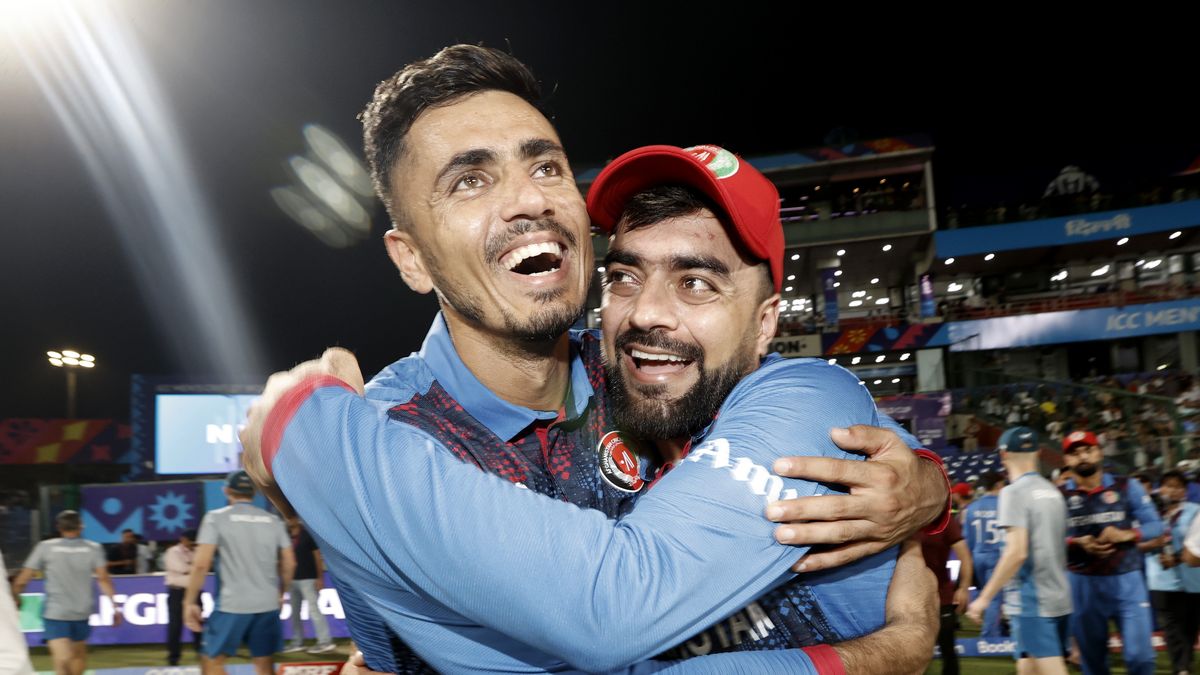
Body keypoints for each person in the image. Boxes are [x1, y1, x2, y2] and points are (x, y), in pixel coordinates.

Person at [240, 45, 948, 674]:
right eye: (470, 180)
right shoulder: (384, 441)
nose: (529, 199)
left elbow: (877, 460)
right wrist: (305, 428)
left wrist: (929, 493)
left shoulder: (661, 372)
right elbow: (612, 614)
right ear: (412, 257)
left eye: (545, 165)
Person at [967, 427, 1071, 675]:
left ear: (1003, 454)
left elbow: (1017, 552)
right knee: (1027, 667)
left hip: (1032, 601)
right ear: (1037, 452)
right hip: (1059, 595)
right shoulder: (1053, 492)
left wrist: (983, 598)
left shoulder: (1013, 493)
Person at [1060, 429, 1163, 675]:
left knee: (1141, 658)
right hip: (1082, 583)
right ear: (1066, 461)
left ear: (1099, 453)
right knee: (1093, 663)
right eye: (1075, 453)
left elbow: (1156, 525)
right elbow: (1046, 538)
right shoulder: (1059, 495)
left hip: (1127, 579)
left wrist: (1126, 534)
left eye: (1088, 450)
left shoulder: (1127, 486)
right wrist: (1076, 542)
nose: (1082, 457)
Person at [184, 471, 295, 675]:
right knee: (264, 663)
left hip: (232, 604)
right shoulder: (273, 521)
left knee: (212, 660)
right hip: (267, 603)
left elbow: (200, 564)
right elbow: (289, 562)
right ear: (254, 493)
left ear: (227, 491)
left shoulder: (215, 519)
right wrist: (281, 592)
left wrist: (189, 601)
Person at [11, 510, 122, 675]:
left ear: (58, 527)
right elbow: (104, 579)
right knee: (77, 657)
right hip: (81, 612)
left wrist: (15, 596)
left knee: (62, 659)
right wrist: (115, 606)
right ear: (81, 526)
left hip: (56, 613)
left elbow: (23, 578)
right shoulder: (93, 548)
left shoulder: (45, 547)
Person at [1139, 470, 1200, 674]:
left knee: (1188, 626)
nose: (1172, 490)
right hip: (1161, 579)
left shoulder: (1194, 511)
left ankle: (1184, 663)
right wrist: (1153, 544)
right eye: (1168, 485)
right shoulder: (1149, 513)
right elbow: (1135, 542)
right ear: (1160, 488)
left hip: (1192, 580)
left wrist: (1175, 555)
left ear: (1184, 491)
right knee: (1171, 627)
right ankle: (1181, 667)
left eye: (1177, 487)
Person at [920, 510, 973, 675]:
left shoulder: (944, 520)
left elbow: (965, 556)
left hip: (941, 597)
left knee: (948, 651)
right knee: (912, 655)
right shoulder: (903, 517)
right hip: (908, 598)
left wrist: (963, 587)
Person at [962, 471, 1006, 638]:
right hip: (997, 555)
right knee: (994, 597)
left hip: (978, 554)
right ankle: (990, 636)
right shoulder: (1005, 505)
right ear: (998, 485)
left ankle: (989, 624)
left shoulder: (971, 508)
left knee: (983, 592)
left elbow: (968, 539)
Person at [283, 519, 335, 654]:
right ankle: (297, 642)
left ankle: (325, 642)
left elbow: (317, 556)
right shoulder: (285, 535)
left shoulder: (308, 534)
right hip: (292, 580)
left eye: (289, 517)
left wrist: (320, 577)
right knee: (294, 613)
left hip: (309, 579)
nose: (287, 520)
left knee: (314, 611)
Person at [163, 529, 201, 666]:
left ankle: (202, 654)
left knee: (198, 624)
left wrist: (195, 568)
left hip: (195, 592)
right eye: (190, 540)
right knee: (175, 626)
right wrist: (195, 567)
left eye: (194, 540)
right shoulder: (173, 552)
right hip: (177, 592)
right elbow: (181, 568)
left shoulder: (198, 550)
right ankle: (173, 657)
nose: (192, 543)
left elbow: (203, 567)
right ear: (183, 539)